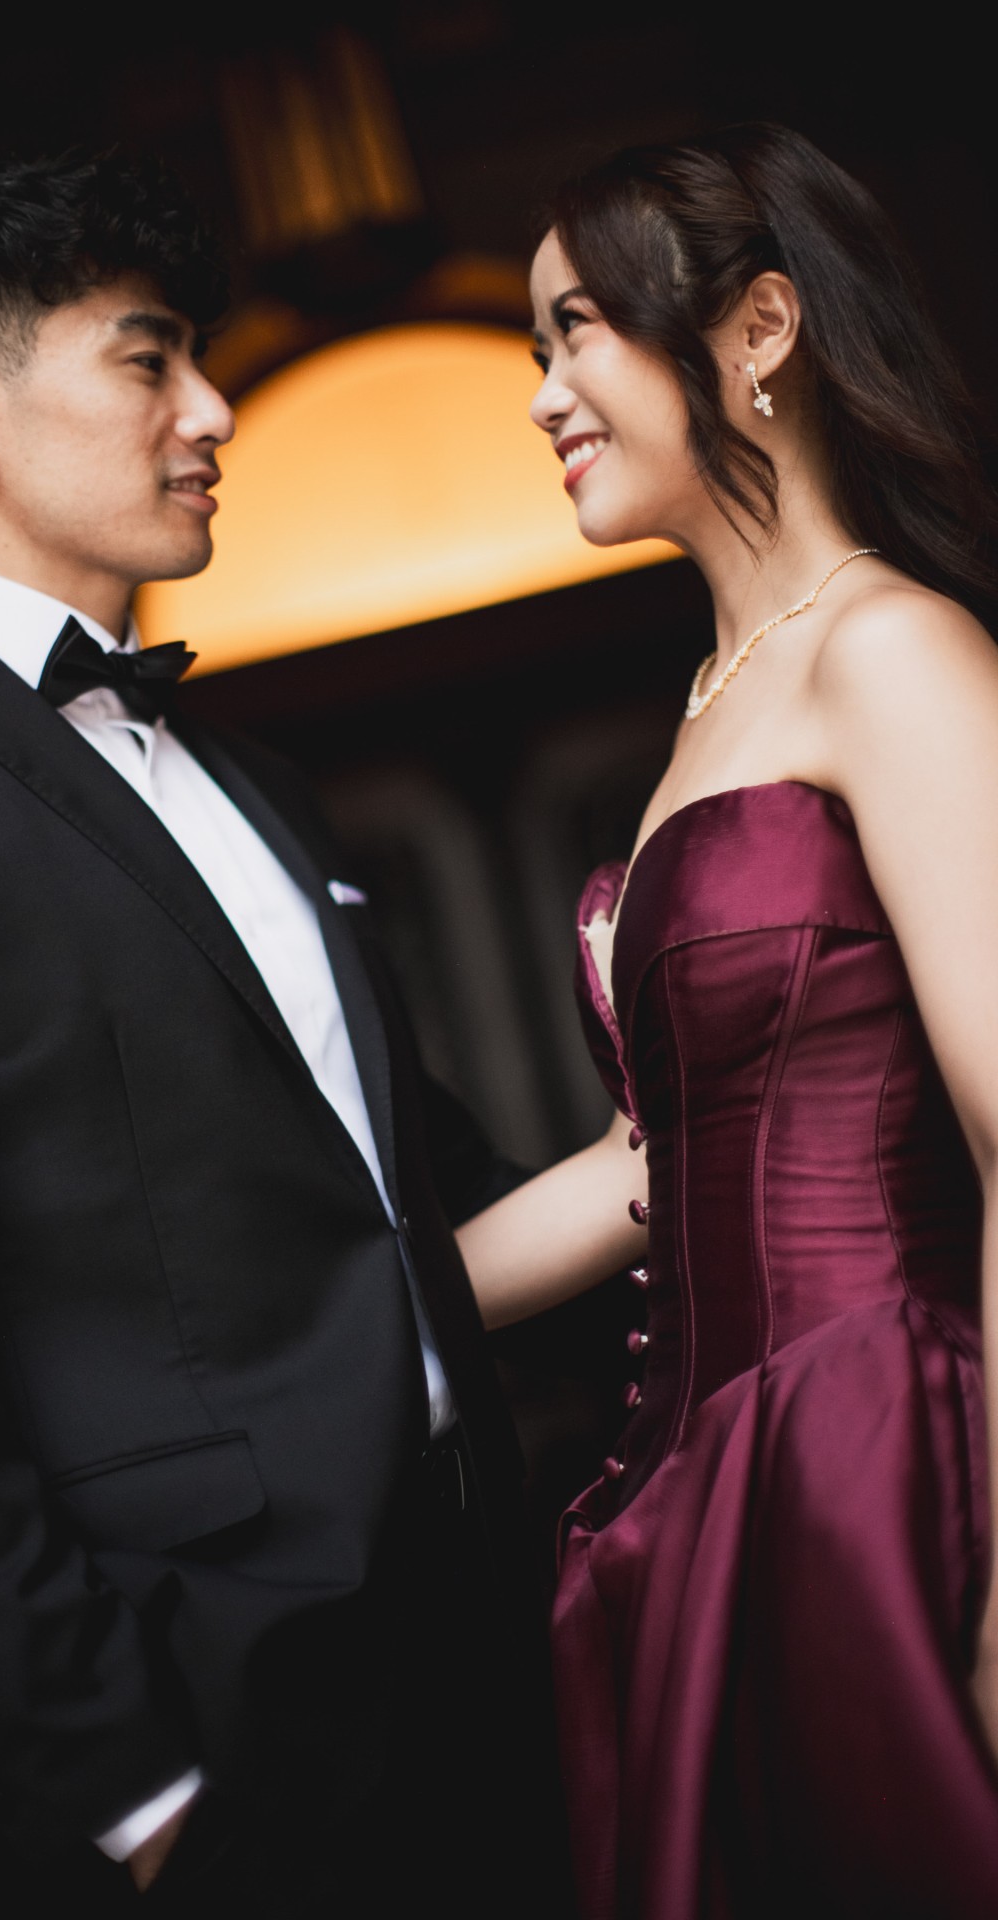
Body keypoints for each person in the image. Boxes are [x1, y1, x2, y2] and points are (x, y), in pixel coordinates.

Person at [0, 151, 560, 1915]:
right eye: (148, 356)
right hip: (209, 1723)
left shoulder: (254, 779)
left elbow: (428, 1203)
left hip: (487, 1627)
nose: (215, 409)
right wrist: (137, 1790)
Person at [456, 124, 998, 1919]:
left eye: (578, 329)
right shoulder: (717, 699)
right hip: (713, 1479)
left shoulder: (891, 652)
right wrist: (347, 1317)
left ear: (760, 330)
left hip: (877, 1445)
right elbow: (654, 1161)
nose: (544, 393)